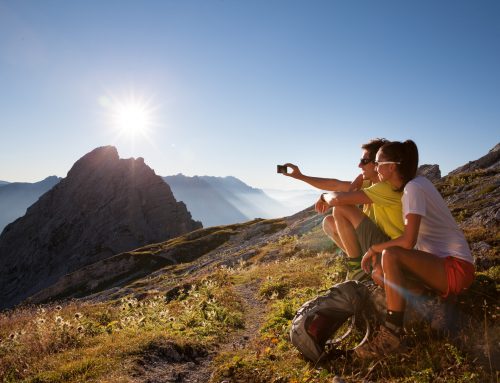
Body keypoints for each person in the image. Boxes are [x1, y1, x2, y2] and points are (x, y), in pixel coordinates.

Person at [355, 140, 475, 359]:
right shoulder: (415, 184)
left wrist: (373, 248)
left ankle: (392, 333)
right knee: (380, 274)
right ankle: (435, 303)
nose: (375, 167)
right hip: (438, 265)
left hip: (456, 268)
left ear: (392, 167)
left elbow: (408, 241)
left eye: (378, 163)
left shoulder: (414, 188)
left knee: (390, 255)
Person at [282, 138, 404, 278]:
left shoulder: (386, 187)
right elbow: (335, 185)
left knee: (340, 208)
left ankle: (356, 269)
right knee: (329, 222)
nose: (359, 165)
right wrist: (300, 176)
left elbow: (337, 199)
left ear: (377, 162)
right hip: (378, 244)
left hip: (390, 249)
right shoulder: (370, 185)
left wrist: (323, 197)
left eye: (364, 161)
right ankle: (362, 266)